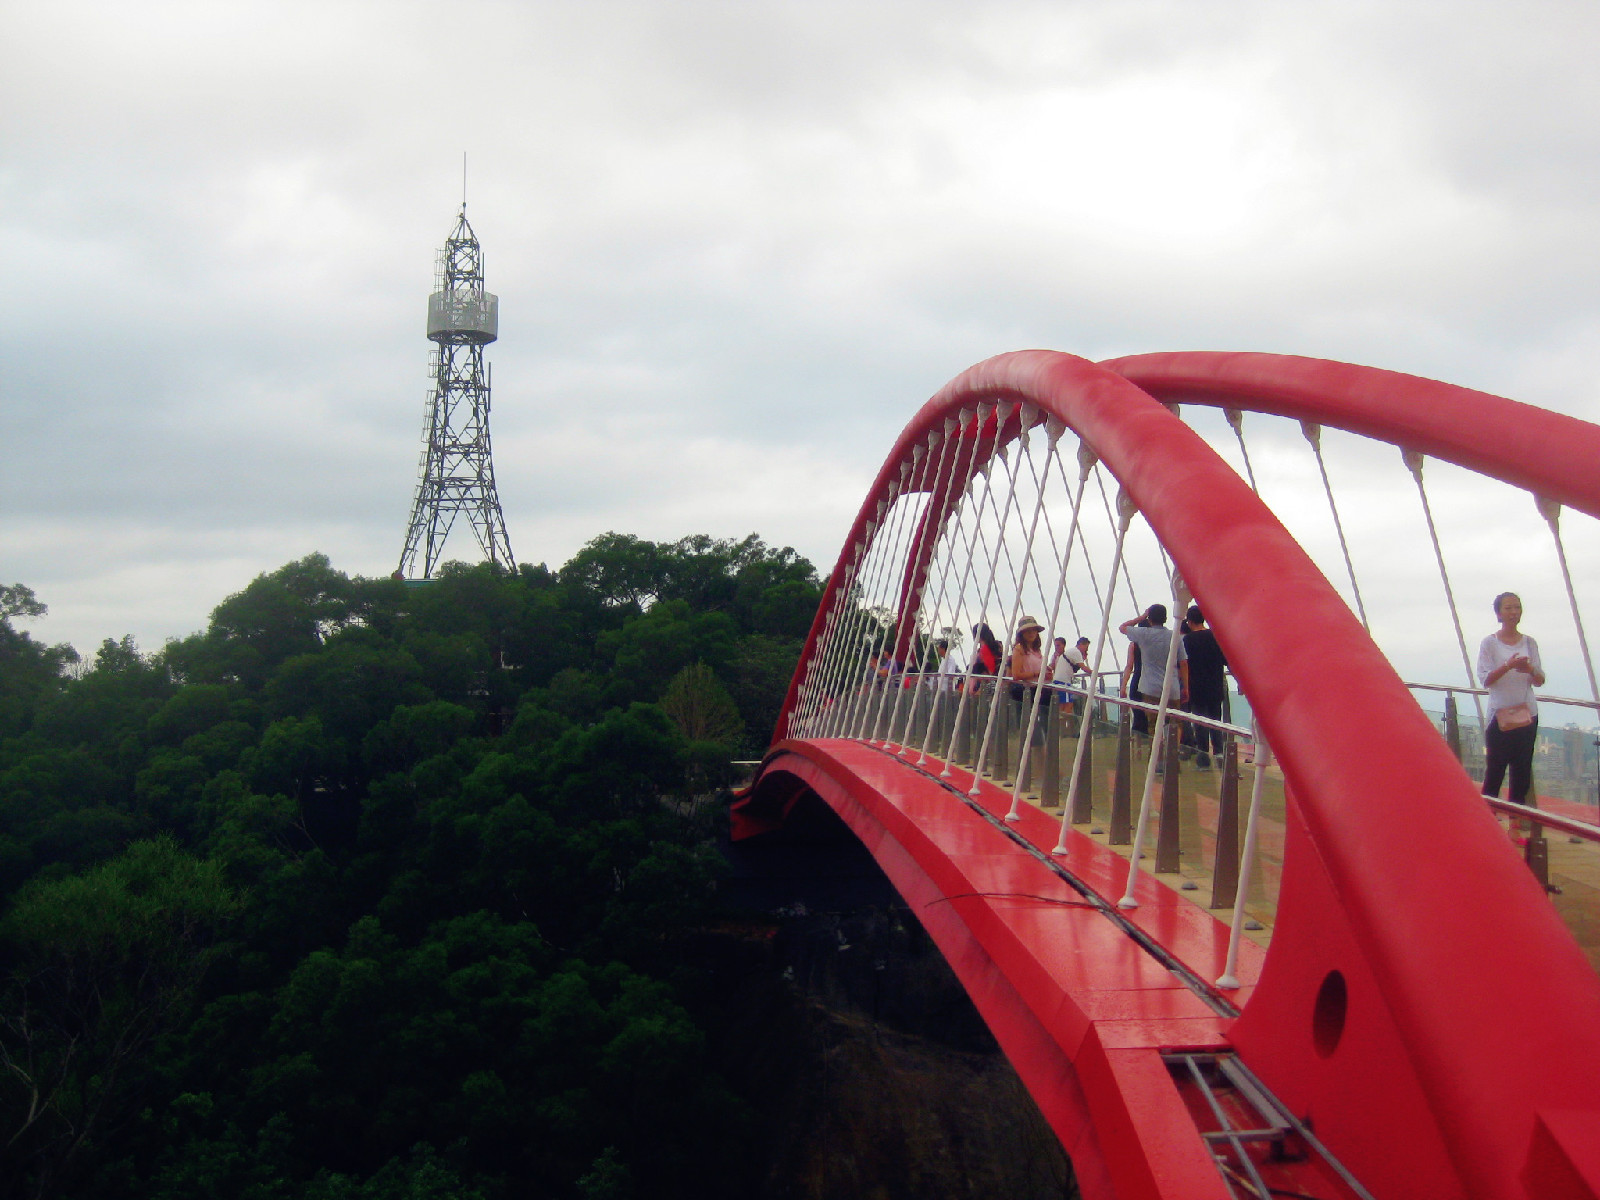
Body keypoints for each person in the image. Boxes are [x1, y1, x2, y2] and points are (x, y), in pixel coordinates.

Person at [1477, 591, 1545, 811]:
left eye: (1517, 607)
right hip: (1500, 715)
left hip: (1527, 714)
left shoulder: (1530, 643)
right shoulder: (1489, 643)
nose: (1514, 612)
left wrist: (1529, 668)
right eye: (1508, 608)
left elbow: (1540, 680)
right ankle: (1488, 824)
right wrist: (1507, 666)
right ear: (1499, 613)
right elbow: (1486, 679)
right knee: (1495, 772)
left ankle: (1515, 826)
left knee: (1521, 773)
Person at [1119, 604, 1189, 740]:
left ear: (1150, 619)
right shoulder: (1175, 636)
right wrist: (1185, 687)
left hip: (1150, 688)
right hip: (1172, 688)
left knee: (1153, 724)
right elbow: (1183, 663)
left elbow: (1123, 627)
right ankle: (1174, 752)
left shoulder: (1144, 634)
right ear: (1165, 618)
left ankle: (1157, 753)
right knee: (1176, 723)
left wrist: (1141, 617)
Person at [1181, 605, 1229, 769]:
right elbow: (1225, 660)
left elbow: (1183, 664)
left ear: (1189, 621)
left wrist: (1185, 687)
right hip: (1215, 684)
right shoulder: (1216, 636)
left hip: (1196, 686)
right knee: (1216, 719)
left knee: (1200, 722)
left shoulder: (1187, 640)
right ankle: (1220, 754)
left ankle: (1203, 760)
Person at [1009, 616, 1045, 704]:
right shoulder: (1019, 649)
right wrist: (1036, 674)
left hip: (1038, 690)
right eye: (1028, 631)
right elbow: (1016, 675)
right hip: (1026, 692)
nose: (1031, 633)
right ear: (1022, 633)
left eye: (1034, 630)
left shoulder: (1036, 650)